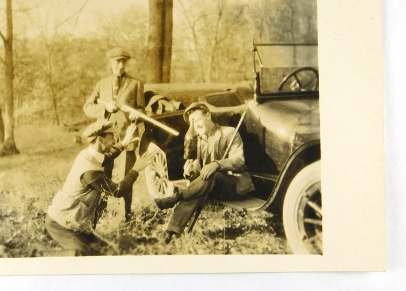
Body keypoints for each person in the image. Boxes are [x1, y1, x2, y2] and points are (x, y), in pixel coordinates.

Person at [45, 120, 154, 256]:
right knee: (80, 254)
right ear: (100, 139)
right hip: (61, 224)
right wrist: (136, 169)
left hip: (73, 221)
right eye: (111, 136)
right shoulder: (91, 173)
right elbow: (117, 191)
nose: (115, 140)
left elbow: (105, 158)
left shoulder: (87, 154)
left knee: (103, 251)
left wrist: (124, 143)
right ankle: (45, 260)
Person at [153, 102, 255, 243]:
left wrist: (216, 164)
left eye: (198, 119)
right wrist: (191, 171)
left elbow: (239, 161)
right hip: (209, 185)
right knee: (201, 184)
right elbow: (201, 172)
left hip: (234, 186)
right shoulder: (199, 140)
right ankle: (170, 232)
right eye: (193, 123)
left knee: (212, 174)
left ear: (208, 115)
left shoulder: (229, 133)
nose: (196, 125)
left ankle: (177, 198)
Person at [83, 47, 145, 220]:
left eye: (124, 61)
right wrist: (105, 107)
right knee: (103, 175)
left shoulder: (136, 84)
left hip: (129, 137)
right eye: (117, 61)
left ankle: (127, 215)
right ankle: (99, 213)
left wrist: (137, 114)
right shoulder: (101, 85)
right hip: (106, 140)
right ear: (110, 64)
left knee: (128, 176)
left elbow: (142, 109)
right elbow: (87, 107)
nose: (121, 65)